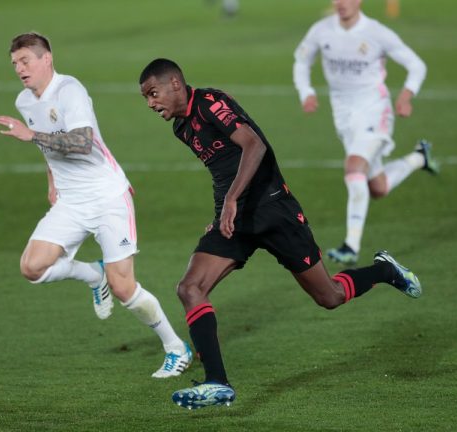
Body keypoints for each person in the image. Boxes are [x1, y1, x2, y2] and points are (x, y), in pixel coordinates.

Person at [139, 58, 423, 409]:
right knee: (189, 288)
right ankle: (217, 383)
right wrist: (223, 211)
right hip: (236, 220)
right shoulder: (182, 129)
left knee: (329, 296)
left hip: (275, 210)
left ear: (175, 84)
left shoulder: (211, 103)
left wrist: (230, 199)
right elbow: (223, 170)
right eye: (146, 98)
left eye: (153, 93)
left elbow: (255, 146)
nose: (151, 103)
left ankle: (384, 270)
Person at [0, 33, 191, 378]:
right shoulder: (25, 102)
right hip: (71, 201)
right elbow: (48, 148)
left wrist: (32, 135)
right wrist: (52, 182)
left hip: (107, 197)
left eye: (25, 61)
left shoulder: (70, 91)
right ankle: (92, 275)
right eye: (14, 64)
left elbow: (83, 142)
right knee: (32, 268)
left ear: (46, 59)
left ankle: (176, 348)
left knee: (124, 287)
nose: (19, 69)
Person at [293, 0, 439, 265]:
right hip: (344, 117)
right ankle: (420, 158)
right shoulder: (321, 30)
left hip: (374, 110)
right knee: (378, 187)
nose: (341, 3)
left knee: (353, 169)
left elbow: (417, 65)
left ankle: (351, 245)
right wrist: (307, 92)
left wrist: (406, 95)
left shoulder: (377, 32)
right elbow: (301, 62)